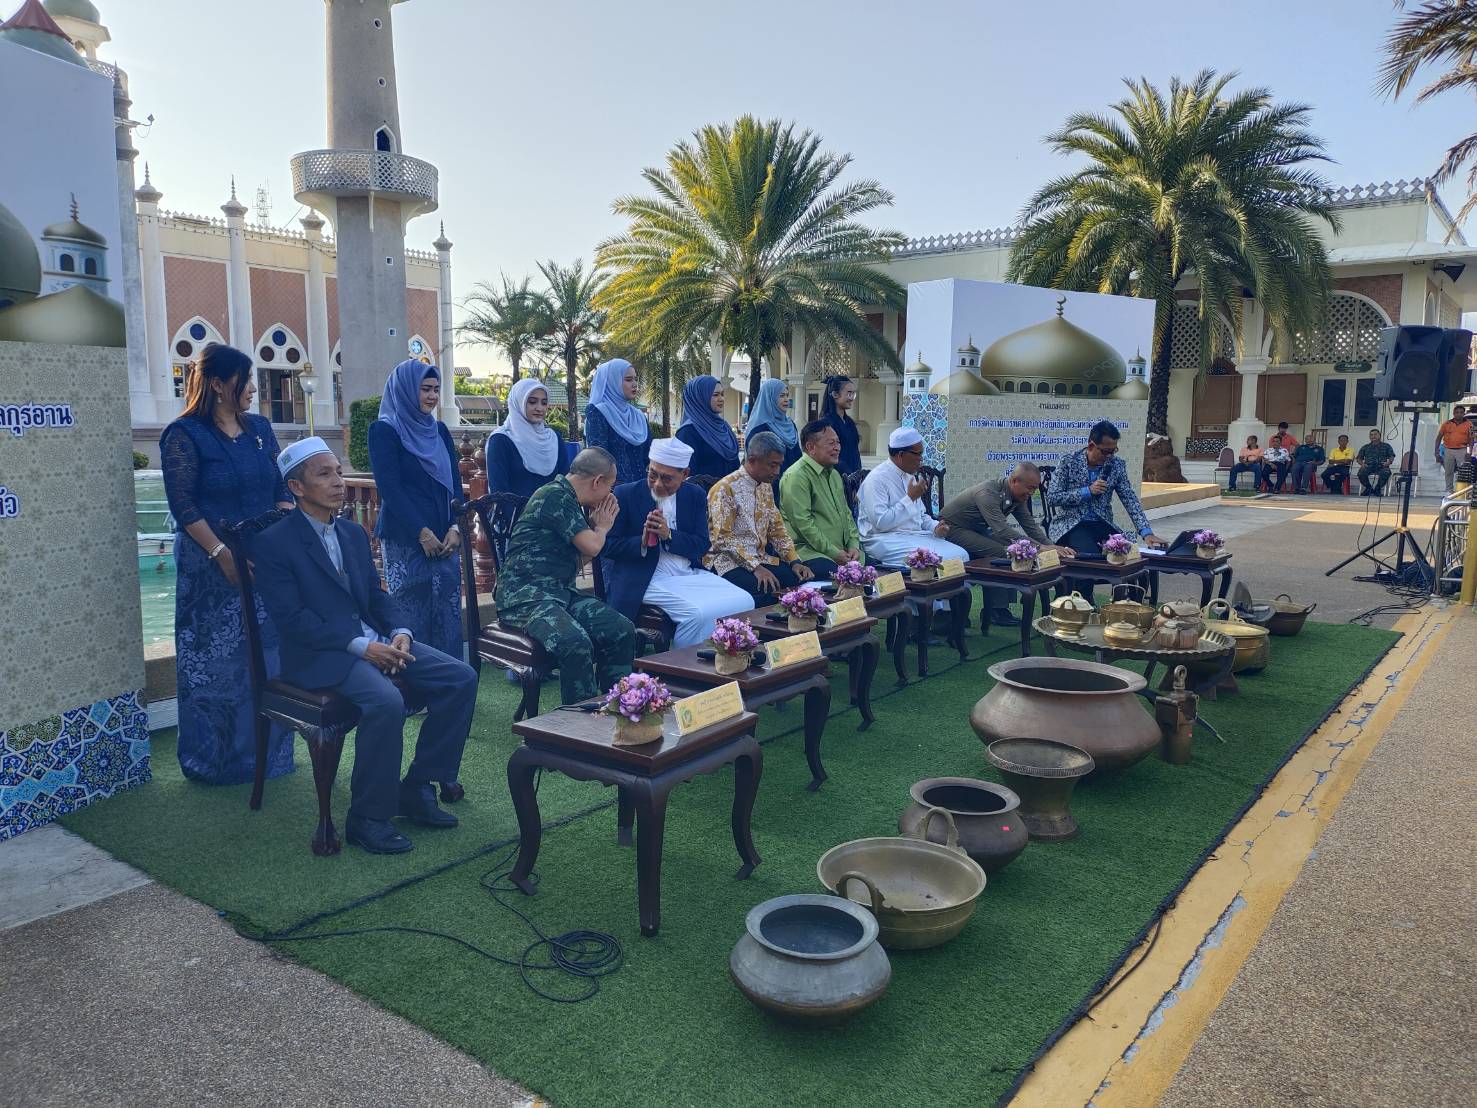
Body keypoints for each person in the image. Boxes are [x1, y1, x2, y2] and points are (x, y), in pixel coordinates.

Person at [253, 439, 478, 856]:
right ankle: (367, 817)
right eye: (324, 474)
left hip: (373, 641)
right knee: (386, 700)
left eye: (338, 472)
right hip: (320, 655)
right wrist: (362, 648)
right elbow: (293, 621)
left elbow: (375, 596)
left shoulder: (353, 533)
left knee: (460, 677)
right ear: (296, 487)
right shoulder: (274, 543)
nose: (338, 482)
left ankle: (416, 787)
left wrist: (400, 631)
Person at [160, 342, 295, 785]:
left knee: (267, 656)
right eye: (245, 380)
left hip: (263, 560)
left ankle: (271, 757)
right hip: (209, 568)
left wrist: (282, 533)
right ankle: (214, 762)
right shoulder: (184, 434)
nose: (254, 388)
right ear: (218, 384)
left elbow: (280, 486)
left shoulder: (260, 429)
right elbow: (183, 504)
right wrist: (221, 553)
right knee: (216, 664)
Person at [494, 447, 637, 704]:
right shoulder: (555, 495)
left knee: (620, 628)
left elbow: (581, 557)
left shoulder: (572, 501)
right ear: (597, 481)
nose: (611, 494)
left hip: (559, 593)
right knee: (575, 642)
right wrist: (602, 527)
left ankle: (618, 705)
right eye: (611, 487)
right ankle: (581, 721)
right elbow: (593, 546)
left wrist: (594, 529)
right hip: (524, 598)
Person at [602, 438, 753, 648]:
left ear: (685, 474)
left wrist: (669, 535)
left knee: (745, 601)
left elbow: (701, 544)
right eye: (652, 474)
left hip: (687, 573)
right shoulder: (626, 494)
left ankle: (727, 657)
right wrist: (642, 542)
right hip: (644, 577)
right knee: (697, 614)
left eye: (667, 478)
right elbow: (608, 546)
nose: (657, 484)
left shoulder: (694, 495)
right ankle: (684, 665)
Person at [368, 360, 466, 660]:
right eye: (425, 389)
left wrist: (455, 526)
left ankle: (450, 680)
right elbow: (390, 488)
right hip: (405, 537)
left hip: (445, 537)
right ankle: (412, 680)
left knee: (448, 612)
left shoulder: (439, 430)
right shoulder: (384, 430)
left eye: (436, 389)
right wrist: (421, 532)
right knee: (409, 612)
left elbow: (455, 480)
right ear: (407, 390)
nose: (432, 396)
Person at [938, 462, 1071, 627]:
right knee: (1004, 552)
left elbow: (1031, 527)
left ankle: (1000, 608)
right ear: (1014, 481)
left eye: (1035, 489)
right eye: (1030, 488)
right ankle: (995, 610)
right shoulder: (987, 493)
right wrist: (1039, 548)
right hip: (951, 528)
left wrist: (1053, 548)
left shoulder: (1018, 496)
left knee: (1014, 550)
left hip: (976, 529)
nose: (1032, 493)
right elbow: (1002, 530)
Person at [705, 431, 816, 604]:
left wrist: (794, 561)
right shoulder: (726, 488)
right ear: (752, 460)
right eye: (772, 465)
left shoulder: (765, 487)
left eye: (779, 465)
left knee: (798, 578)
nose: (777, 471)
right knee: (764, 587)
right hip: (726, 561)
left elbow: (777, 530)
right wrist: (755, 568)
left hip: (760, 558)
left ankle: (795, 619)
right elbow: (723, 538)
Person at [1048, 420, 1165, 552]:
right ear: (1091, 446)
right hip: (1072, 525)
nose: (1109, 456)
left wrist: (1146, 533)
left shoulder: (1116, 465)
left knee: (1126, 552)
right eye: (1105, 451)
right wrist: (1087, 491)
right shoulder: (1068, 462)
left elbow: (1130, 499)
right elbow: (1052, 497)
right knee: (1091, 556)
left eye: (1113, 451)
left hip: (1102, 523)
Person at [857, 427, 968, 565]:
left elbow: (920, 516)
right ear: (901, 455)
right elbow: (881, 524)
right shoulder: (876, 479)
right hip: (884, 539)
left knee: (961, 555)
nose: (921, 458)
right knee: (938, 560)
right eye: (918, 454)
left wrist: (935, 527)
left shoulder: (908, 476)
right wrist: (909, 499)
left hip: (914, 536)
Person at [779, 420, 864, 578]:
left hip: (842, 551)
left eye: (838, 442)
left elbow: (847, 514)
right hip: (810, 552)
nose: (837, 448)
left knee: (875, 570)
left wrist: (853, 545)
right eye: (831, 443)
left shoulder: (834, 474)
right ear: (811, 447)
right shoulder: (797, 476)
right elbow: (803, 524)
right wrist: (833, 552)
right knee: (843, 576)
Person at [485, 378, 569, 498]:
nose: (539, 408)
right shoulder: (501, 440)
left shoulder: (554, 439)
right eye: (532, 402)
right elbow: (499, 491)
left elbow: (565, 484)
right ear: (519, 402)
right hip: (513, 510)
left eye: (544, 403)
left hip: (554, 509)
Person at [583, 358, 652, 485]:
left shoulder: (638, 416)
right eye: (628, 380)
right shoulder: (598, 413)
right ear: (612, 382)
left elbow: (648, 456)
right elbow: (598, 459)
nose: (635, 384)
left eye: (635, 379)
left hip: (642, 489)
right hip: (612, 492)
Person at [674, 375, 740, 481]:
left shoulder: (724, 427)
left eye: (722, 394)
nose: (721, 399)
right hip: (704, 491)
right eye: (715, 395)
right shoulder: (688, 432)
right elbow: (686, 476)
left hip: (731, 490)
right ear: (700, 398)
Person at [744, 377, 802, 476]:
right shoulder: (759, 428)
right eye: (781, 396)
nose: (786, 400)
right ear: (769, 397)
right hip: (770, 480)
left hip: (794, 480)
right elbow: (757, 463)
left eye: (787, 395)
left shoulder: (790, 424)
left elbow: (798, 456)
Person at [821, 374, 863, 475]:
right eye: (849, 393)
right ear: (835, 394)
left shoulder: (849, 422)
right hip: (836, 476)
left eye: (853, 394)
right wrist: (846, 473)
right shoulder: (826, 423)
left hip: (854, 476)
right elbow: (829, 454)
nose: (852, 398)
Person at [1436, 404, 1471, 495]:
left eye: (1461, 412)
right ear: (1453, 413)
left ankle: (1461, 491)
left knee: (1462, 471)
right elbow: (1439, 438)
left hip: (1462, 450)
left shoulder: (1468, 424)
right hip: (1448, 450)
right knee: (1448, 471)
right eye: (1457, 412)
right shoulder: (1447, 424)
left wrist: (1469, 452)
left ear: (1464, 413)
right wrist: (1437, 452)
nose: (1459, 414)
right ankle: (1449, 490)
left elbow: (1471, 440)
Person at [1356, 429, 1396, 496]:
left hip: (1382, 466)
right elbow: (1359, 458)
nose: (1373, 436)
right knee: (1361, 473)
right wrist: (1362, 464)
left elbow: (1391, 456)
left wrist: (1389, 462)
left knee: (1386, 472)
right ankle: (1368, 488)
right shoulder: (1365, 447)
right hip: (1368, 466)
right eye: (1371, 435)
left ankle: (1377, 488)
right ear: (1369, 437)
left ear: (1379, 435)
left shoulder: (1386, 446)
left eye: (1375, 434)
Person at [1262, 426, 1296, 492]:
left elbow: (1288, 460)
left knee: (1283, 473)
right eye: (1273, 441)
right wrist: (1271, 464)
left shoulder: (1284, 450)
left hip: (1280, 463)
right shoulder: (1268, 450)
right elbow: (1265, 459)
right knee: (1264, 474)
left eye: (1277, 441)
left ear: (1280, 443)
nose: (1274, 443)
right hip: (1270, 463)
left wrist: (1286, 468)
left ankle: (1277, 488)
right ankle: (1271, 485)